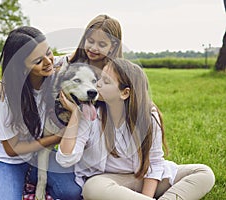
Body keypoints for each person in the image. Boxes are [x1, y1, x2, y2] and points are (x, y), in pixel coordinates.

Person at [56, 58, 215, 200]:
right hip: (107, 181)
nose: (97, 85)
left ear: (125, 93)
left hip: (143, 179)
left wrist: (146, 196)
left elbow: (154, 163)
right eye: (99, 79)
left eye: (106, 81)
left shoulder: (148, 116)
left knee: (204, 173)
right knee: (92, 188)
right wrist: (76, 114)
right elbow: (66, 159)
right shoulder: (90, 115)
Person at [0, 26, 82, 200]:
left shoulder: (52, 69)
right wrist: (59, 137)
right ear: (21, 68)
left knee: (72, 191)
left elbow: (84, 54)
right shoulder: (6, 97)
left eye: (49, 52)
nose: (48, 62)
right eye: (38, 61)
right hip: (8, 162)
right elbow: (12, 149)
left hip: (38, 158)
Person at [55, 14, 123, 73]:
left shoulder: (116, 75)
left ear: (113, 47)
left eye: (101, 45)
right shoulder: (66, 62)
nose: (93, 48)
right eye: (90, 41)